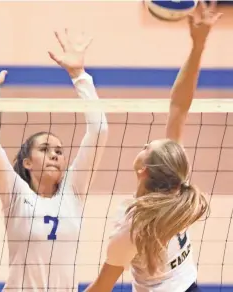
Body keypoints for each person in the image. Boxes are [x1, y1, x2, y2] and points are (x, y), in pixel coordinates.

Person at [85, 2, 221, 292]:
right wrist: (199, 45)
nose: (145, 143)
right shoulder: (178, 188)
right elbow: (178, 106)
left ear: (142, 169)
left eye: (147, 146)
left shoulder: (132, 227)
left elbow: (101, 287)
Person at [0, 29, 108, 291]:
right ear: (27, 162)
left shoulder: (72, 193)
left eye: (59, 151)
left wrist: (79, 76)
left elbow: (99, 131)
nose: (54, 154)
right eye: (44, 149)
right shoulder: (16, 193)